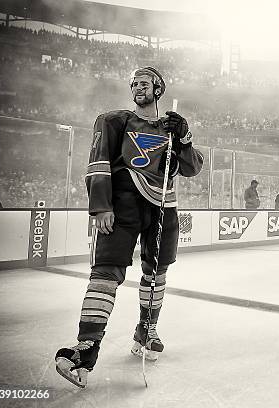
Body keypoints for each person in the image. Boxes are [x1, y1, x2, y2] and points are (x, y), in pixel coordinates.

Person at [55, 67, 204, 388]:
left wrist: (185, 139)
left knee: (157, 271)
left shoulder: (171, 128)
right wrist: (101, 206)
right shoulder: (114, 120)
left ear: (158, 90)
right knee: (106, 271)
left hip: (165, 205)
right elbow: (98, 160)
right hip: (123, 203)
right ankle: (87, 344)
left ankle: (146, 329)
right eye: (134, 84)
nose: (138, 88)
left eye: (144, 84)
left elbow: (192, 168)